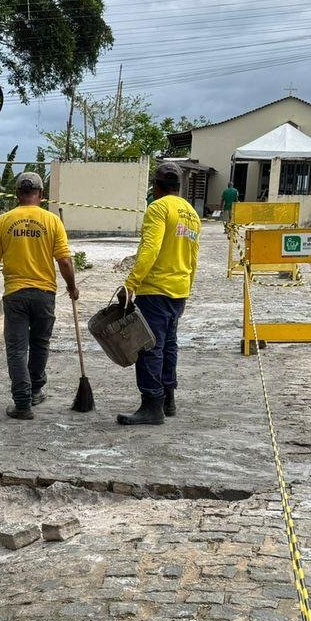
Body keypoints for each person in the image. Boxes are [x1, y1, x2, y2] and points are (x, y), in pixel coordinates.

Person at [0, 172, 78, 420]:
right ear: (41, 195)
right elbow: (65, 261)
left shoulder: (5, 221)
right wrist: (71, 286)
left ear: (16, 195)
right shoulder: (52, 221)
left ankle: (22, 403)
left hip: (16, 294)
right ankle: (34, 392)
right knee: (39, 344)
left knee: (16, 349)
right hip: (45, 294)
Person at [118, 164, 201, 426]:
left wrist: (131, 283)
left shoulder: (158, 208)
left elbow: (150, 249)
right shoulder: (191, 213)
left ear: (156, 186)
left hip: (155, 290)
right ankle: (168, 399)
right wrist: (187, 285)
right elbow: (193, 256)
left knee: (150, 346)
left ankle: (152, 404)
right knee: (169, 345)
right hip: (179, 291)